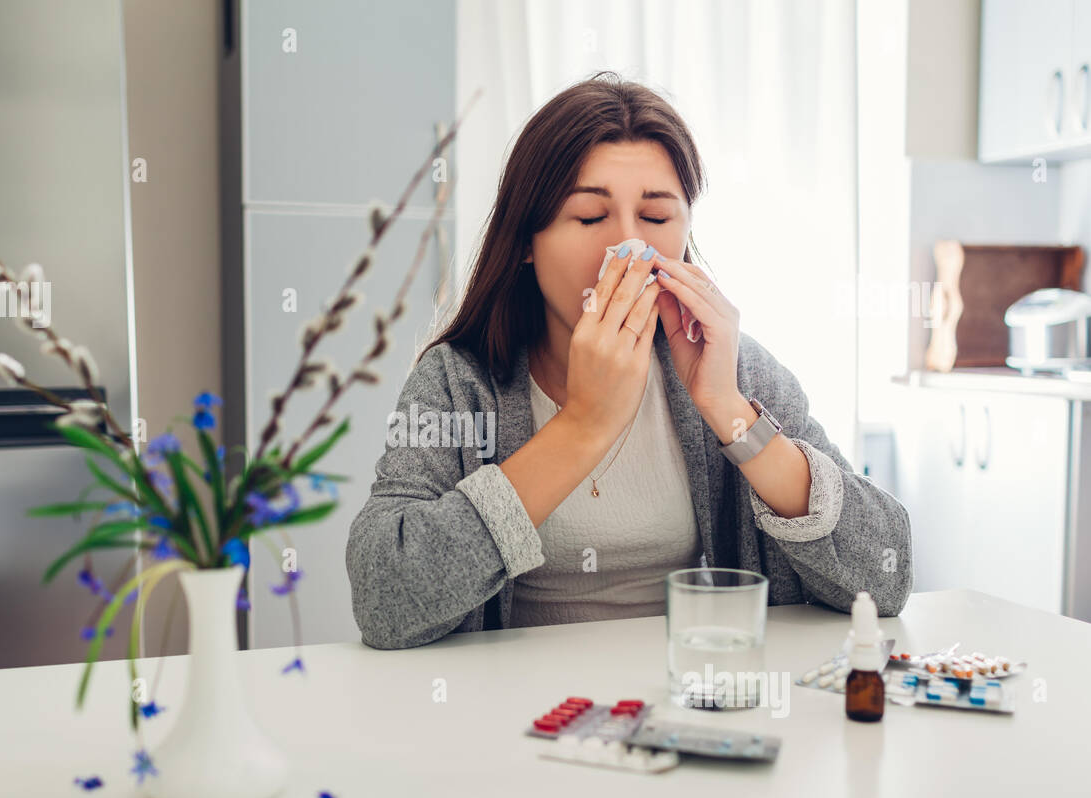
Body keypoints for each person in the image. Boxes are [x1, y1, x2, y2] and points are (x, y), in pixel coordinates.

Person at [345, 72, 913, 650]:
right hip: (519, 719)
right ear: (524, 242)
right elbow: (384, 598)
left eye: (657, 219)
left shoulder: (735, 369)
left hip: (691, 697)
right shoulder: (456, 383)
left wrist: (728, 409)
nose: (628, 249)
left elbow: (887, 576)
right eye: (590, 217)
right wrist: (583, 426)